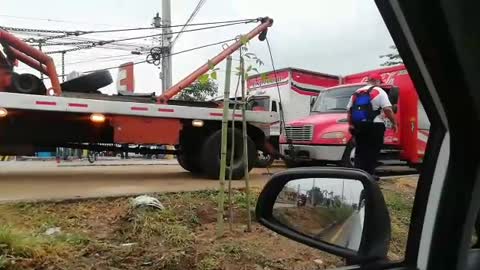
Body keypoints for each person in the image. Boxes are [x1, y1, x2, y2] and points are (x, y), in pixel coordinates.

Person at [346, 73, 397, 180]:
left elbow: (349, 111)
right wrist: (394, 123)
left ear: (368, 80)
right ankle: (369, 176)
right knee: (373, 151)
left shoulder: (356, 92)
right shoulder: (379, 91)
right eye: (380, 82)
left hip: (359, 126)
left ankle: (358, 175)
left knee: (360, 151)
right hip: (375, 125)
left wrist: (351, 125)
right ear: (377, 81)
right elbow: (387, 109)